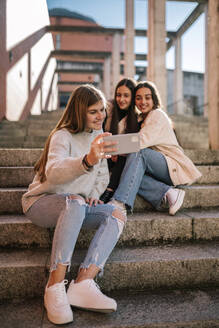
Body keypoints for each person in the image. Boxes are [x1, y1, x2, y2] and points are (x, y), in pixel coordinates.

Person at [21, 84, 126, 325]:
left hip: (76, 206)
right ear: (80, 112)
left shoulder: (97, 138)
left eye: (102, 110)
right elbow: (54, 173)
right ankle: (55, 286)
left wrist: (95, 194)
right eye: (93, 112)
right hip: (41, 203)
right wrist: (88, 159)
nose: (100, 116)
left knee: (116, 214)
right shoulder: (62, 135)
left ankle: (84, 283)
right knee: (75, 201)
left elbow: (101, 177)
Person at [110, 81, 202, 216]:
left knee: (139, 153)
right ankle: (169, 193)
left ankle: (120, 202)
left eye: (147, 97)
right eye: (138, 98)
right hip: (156, 168)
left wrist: (111, 147)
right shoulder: (140, 118)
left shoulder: (157, 115)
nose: (143, 101)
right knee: (130, 171)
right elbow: (120, 132)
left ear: (154, 99)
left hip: (171, 166)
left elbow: (139, 142)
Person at [100, 78, 140, 203]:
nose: (121, 99)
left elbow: (136, 142)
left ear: (133, 97)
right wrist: (111, 150)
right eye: (118, 95)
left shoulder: (138, 117)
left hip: (123, 160)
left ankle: (110, 190)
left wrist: (118, 150)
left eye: (126, 96)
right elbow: (99, 134)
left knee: (128, 154)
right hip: (105, 155)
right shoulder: (108, 110)